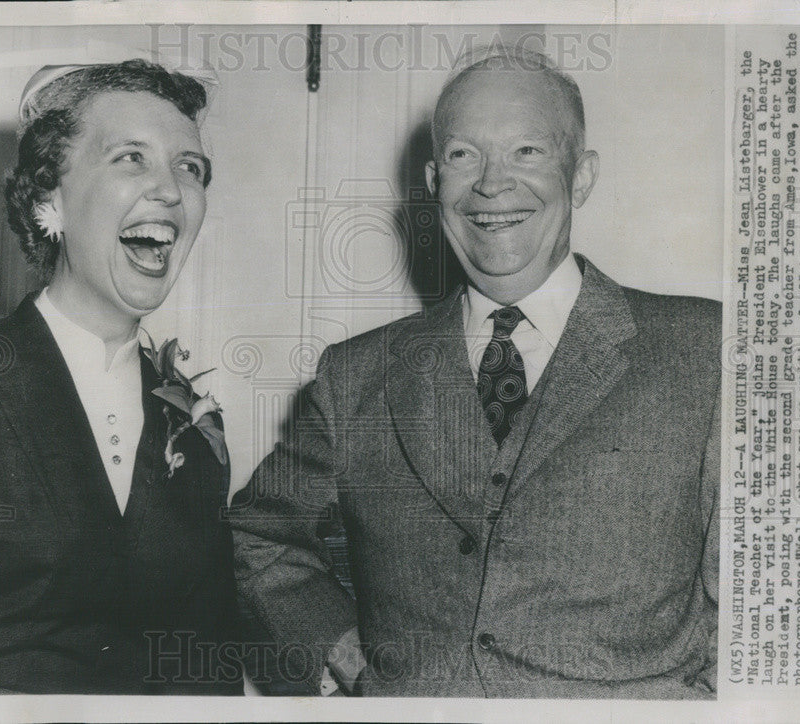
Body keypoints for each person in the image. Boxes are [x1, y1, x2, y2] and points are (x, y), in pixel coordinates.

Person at [229, 47, 721, 699]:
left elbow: (769, 590)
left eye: (527, 153)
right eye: (465, 155)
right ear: (435, 182)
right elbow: (260, 532)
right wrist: (347, 661)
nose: (492, 185)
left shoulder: (705, 350)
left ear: (581, 176)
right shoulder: (356, 375)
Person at [0, 58, 242, 694]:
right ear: (49, 193)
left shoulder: (195, 426)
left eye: (191, 168)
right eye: (131, 157)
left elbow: (206, 668)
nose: (171, 189)